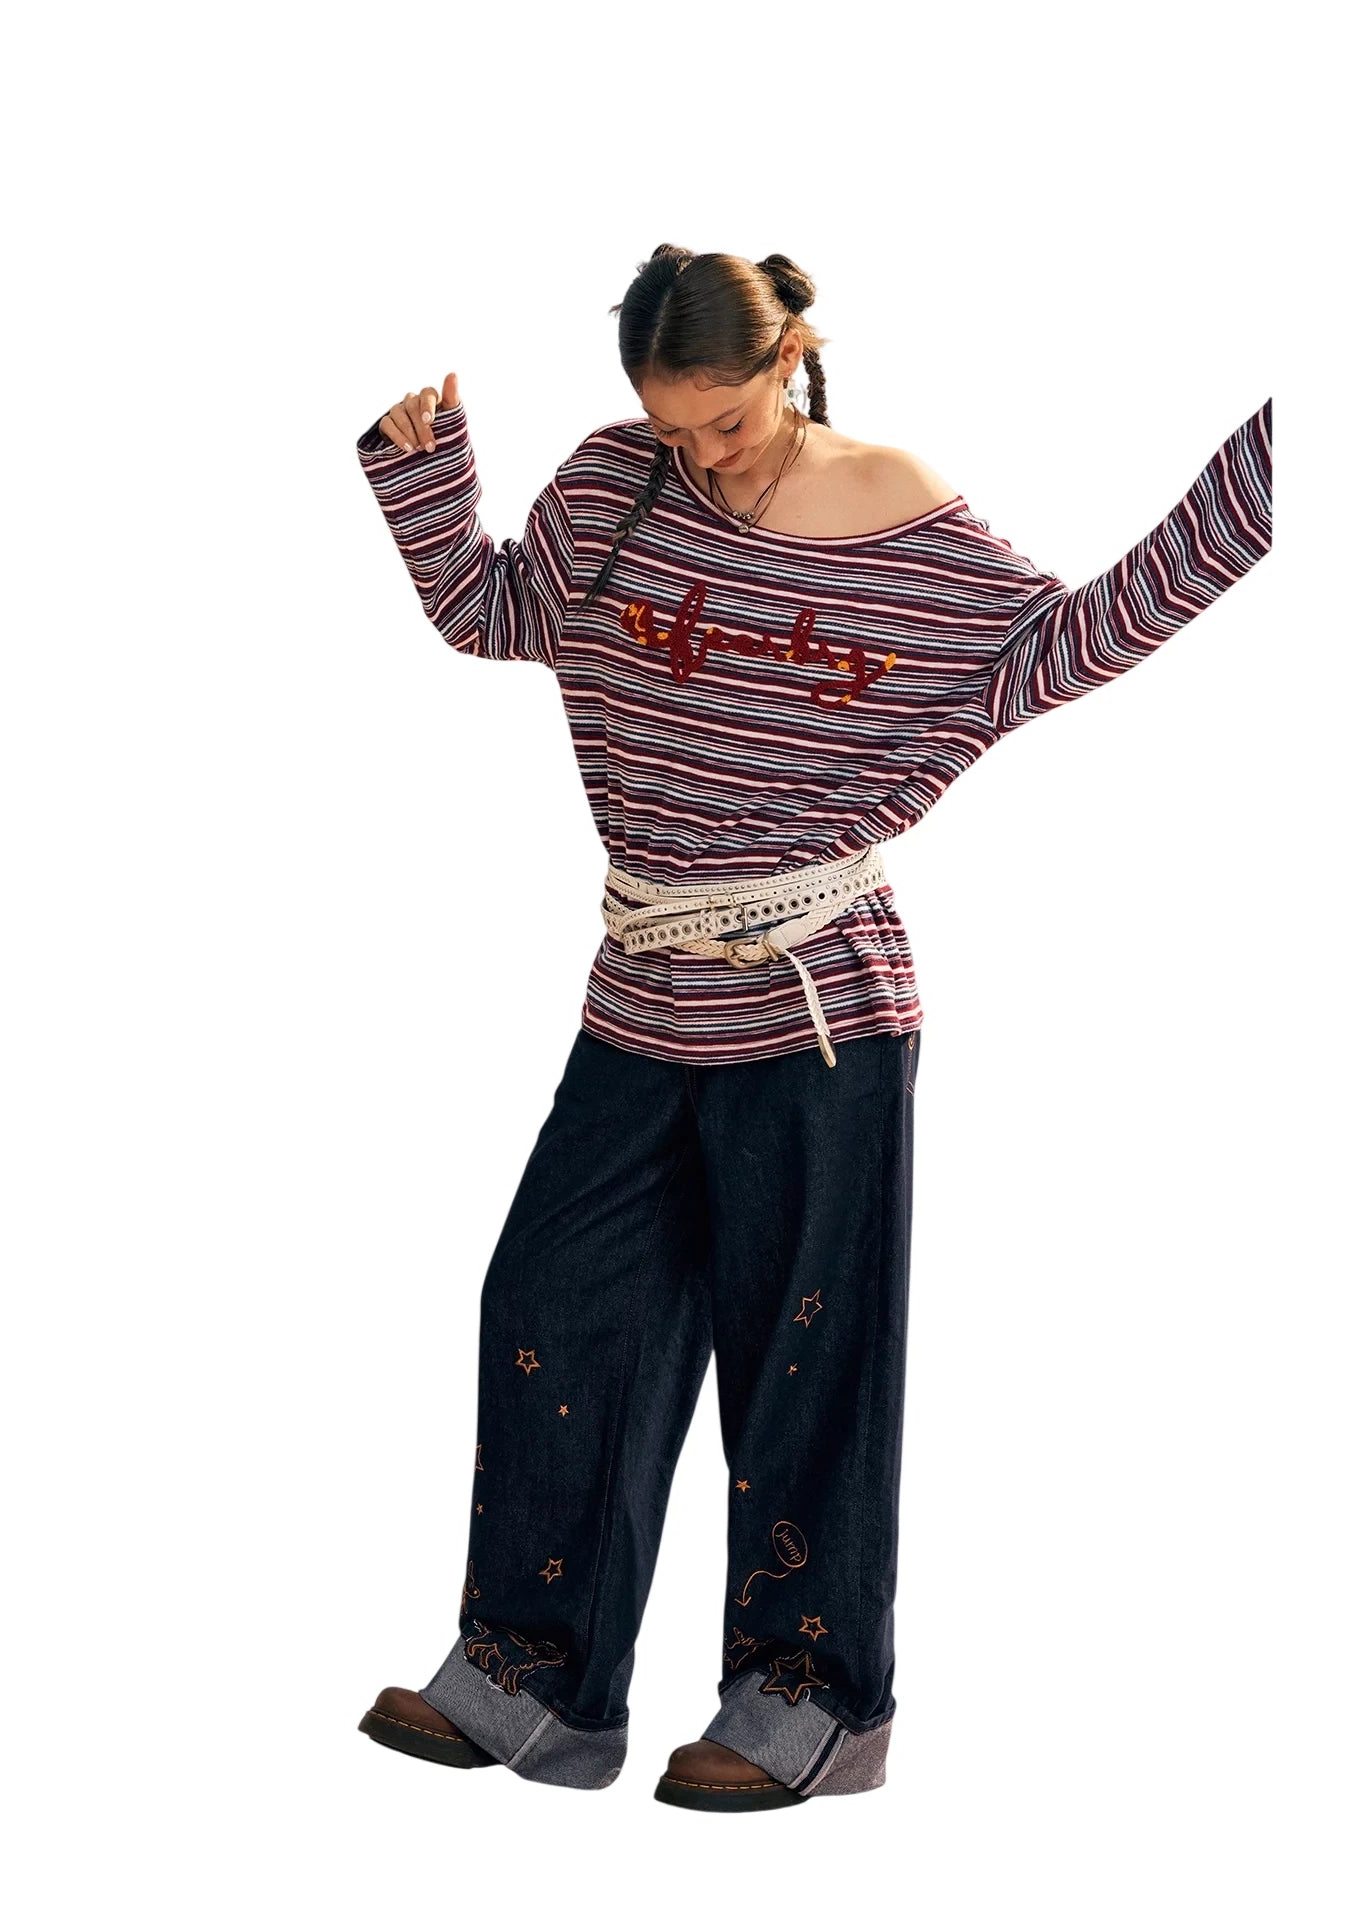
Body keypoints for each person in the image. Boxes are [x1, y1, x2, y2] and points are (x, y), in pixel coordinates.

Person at [350, 246, 1273, 1812]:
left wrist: (1272, 468)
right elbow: (496, 611)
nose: (702, 455)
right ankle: (534, 1676)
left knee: (806, 1355)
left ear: (794, 358)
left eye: (725, 420)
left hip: (818, 1011)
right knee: (555, 1303)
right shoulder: (616, 484)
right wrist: (427, 476)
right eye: (672, 425)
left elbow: (1058, 648)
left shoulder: (898, 512)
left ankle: (813, 1698)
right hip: (640, 998)